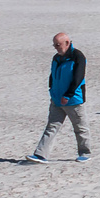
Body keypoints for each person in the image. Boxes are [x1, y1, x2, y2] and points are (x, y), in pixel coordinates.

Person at [26, 32, 90, 163]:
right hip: (57, 99)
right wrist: (52, 90)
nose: (56, 47)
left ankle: (85, 153)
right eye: (54, 45)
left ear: (67, 43)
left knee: (80, 128)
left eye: (58, 44)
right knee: (51, 127)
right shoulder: (56, 58)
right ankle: (41, 154)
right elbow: (53, 75)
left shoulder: (78, 56)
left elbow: (78, 77)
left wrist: (68, 94)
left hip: (73, 100)